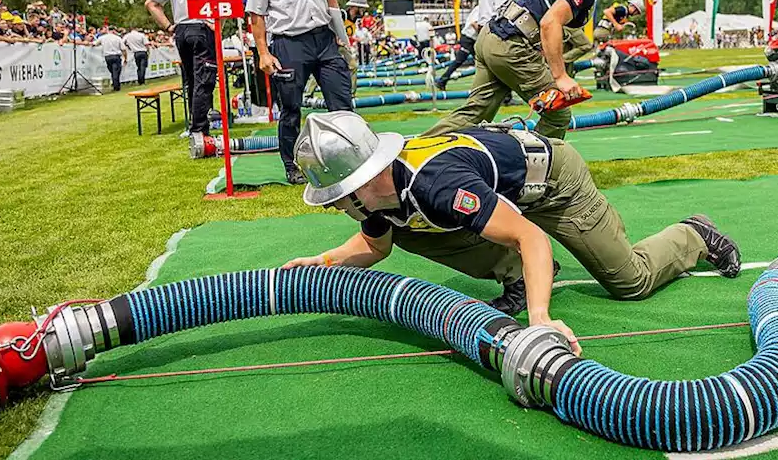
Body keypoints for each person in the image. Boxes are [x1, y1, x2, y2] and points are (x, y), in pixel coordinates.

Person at [281, 112, 743, 344]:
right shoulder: (376, 202)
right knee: (412, 231)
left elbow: (529, 235)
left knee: (631, 281)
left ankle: (694, 234)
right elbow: (373, 246)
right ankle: (518, 278)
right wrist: (322, 262)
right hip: (503, 196)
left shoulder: (438, 186)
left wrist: (539, 319)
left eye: (337, 193)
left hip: (553, 184)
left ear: (365, 178)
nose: (334, 205)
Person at [424, 0, 631, 139]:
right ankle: (529, 168)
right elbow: (550, 22)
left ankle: (418, 152)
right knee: (557, 114)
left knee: (474, 113)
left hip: (490, 37)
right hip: (511, 45)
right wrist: (560, 76)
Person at [247, 0, 352, 184]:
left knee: (341, 101)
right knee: (291, 109)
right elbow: (256, 15)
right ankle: (292, 164)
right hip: (288, 44)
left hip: (324, 39)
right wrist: (263, 54)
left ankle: (352, 157)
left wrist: (342, 37)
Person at [146, 0, 224, 136]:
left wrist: (168, 26)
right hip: (202, 28)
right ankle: (199, 131)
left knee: (191, 79)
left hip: (181, 30)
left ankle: (193, 126)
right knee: (204, 80)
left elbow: (151, 3)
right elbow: (221, 8)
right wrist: (217, 27)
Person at [438, 0, 512, 89]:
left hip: (475, 36)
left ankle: (443, 80)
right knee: (493, 64)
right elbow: (476, 22)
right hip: (473, 37)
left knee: (484, 64)